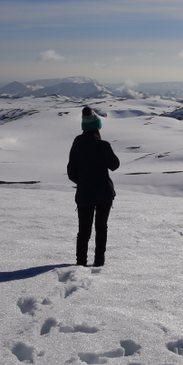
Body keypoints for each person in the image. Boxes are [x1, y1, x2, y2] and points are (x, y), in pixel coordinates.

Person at [66, 106, 119, 266]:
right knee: (101, 227)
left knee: (84, 230)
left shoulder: (77, 143)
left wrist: (83, 182)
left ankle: (81, 262)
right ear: (97, 126)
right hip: (104, 193)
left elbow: (71, 172)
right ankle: (99, 261)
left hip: (85, 194)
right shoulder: (102, 145)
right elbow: (115, 165)